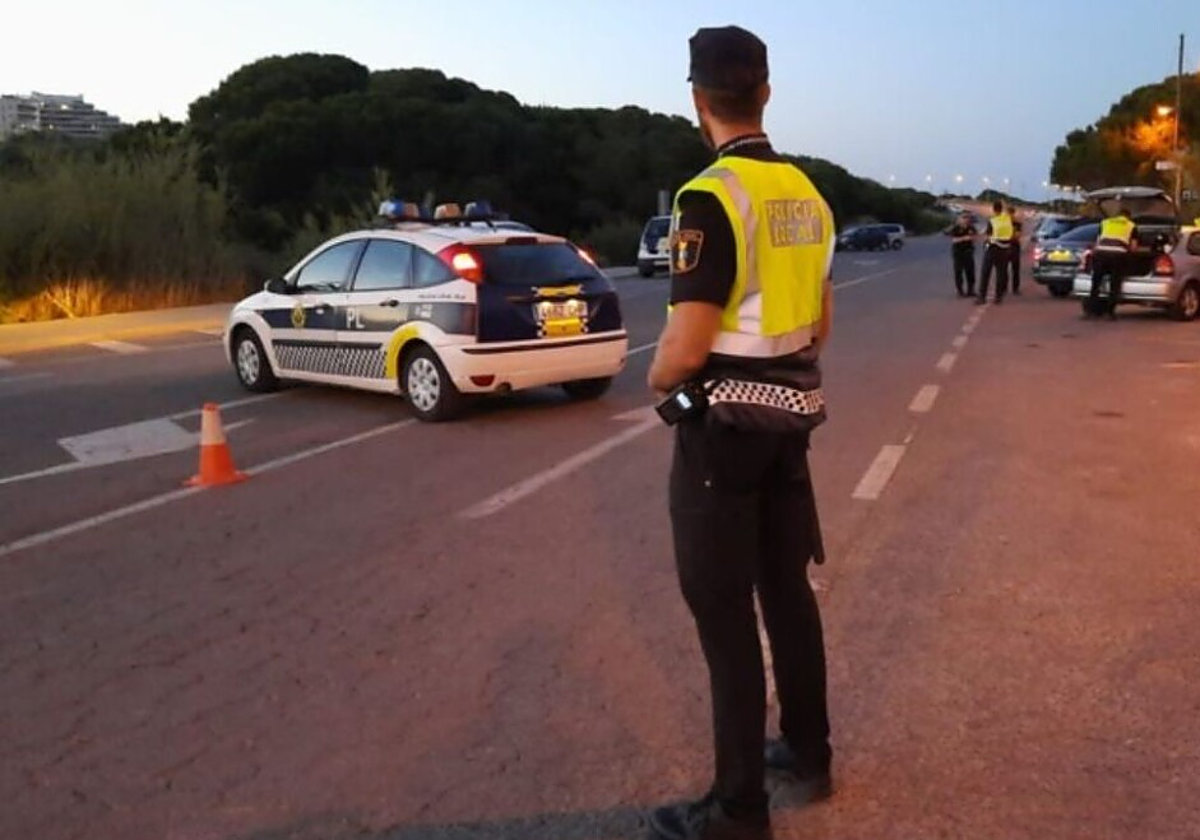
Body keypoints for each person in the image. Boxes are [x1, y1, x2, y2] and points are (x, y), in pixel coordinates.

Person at [646, 25, 834, 840]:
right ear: (765, 90)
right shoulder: (809, 194)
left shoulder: (708, 197)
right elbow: (821, 323)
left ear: (696, 100)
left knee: (723, 616)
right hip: (789, 425)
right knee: (786, 591)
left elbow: (686, 346)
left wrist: (657, 379)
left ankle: (738, 810)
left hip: (720, 432)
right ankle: (809, 751)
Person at [1088, 202, 1139, 320]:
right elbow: (1133, 247)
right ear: (1128, 216)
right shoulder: (1131, 225)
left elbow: (1098, 241)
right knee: (1114, 284)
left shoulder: (1105, 222)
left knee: (1096, 283)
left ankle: (1091, 311)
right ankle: (1109, 312)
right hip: (1117, 256)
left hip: (1100, 254)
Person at [976, 200, 1013, 305]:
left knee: (985, 272)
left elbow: (988, 235)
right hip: (1005, 249)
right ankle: (998, 297)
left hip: (993, 247)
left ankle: (982, 297)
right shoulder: (1007, 219)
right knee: (1001, 274)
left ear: (993, 209)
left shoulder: (993, 220)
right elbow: (1007, 209)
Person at [944, 211, 978, 297]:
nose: (966, 219)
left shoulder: (971, 227)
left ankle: (971, 290)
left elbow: (975, 236)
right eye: (964, 217)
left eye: (968, 217)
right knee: (958, 272)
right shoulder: (956, 228)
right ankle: (960, 291)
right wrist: (964, 238)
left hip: (968, 252)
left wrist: (973, 238)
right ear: (960, 219)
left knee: (970, 272)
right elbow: (954, 240)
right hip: (958, 252)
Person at [1008, 205, 1024, 295]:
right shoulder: (1004, 223)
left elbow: (1017, 236)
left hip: (1014, 247)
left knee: (1015, 269)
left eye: (1011, 214)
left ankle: (1015, 288)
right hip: (1005, 247)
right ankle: (1003, 287)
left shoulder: (1017, 224)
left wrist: (1008, 235)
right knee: (1003, 269)